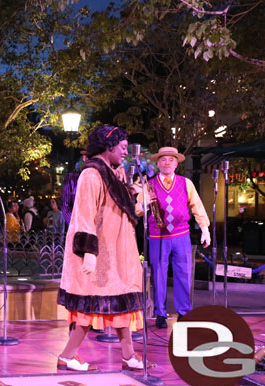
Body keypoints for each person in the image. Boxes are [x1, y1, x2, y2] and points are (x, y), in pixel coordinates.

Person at [57, 126, 144, 372]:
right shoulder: (92, 174)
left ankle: (128, 355)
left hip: (118, 251)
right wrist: (88, 253)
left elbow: (119, 212)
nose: (126, 152)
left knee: (122, 303)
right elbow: (84, 214)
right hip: (100, 251)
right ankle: (67, 355)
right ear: (109, 146)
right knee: (90, 304)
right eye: (123, 147)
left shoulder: (115, 173)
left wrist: (139, 203)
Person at [136, 146, 210, 329]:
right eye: (163, 159)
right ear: (158, 163)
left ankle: (184, 312)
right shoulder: (149, 184)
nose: (166, 163)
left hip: (181, 234)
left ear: (176, 164)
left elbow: (197, 206)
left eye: (170, 160)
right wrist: (145, 204)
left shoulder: (186, 183)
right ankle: (160, 313)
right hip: (157, 236)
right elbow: (137, 210)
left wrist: (205, 229)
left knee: (183, 273)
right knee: (159, 275)